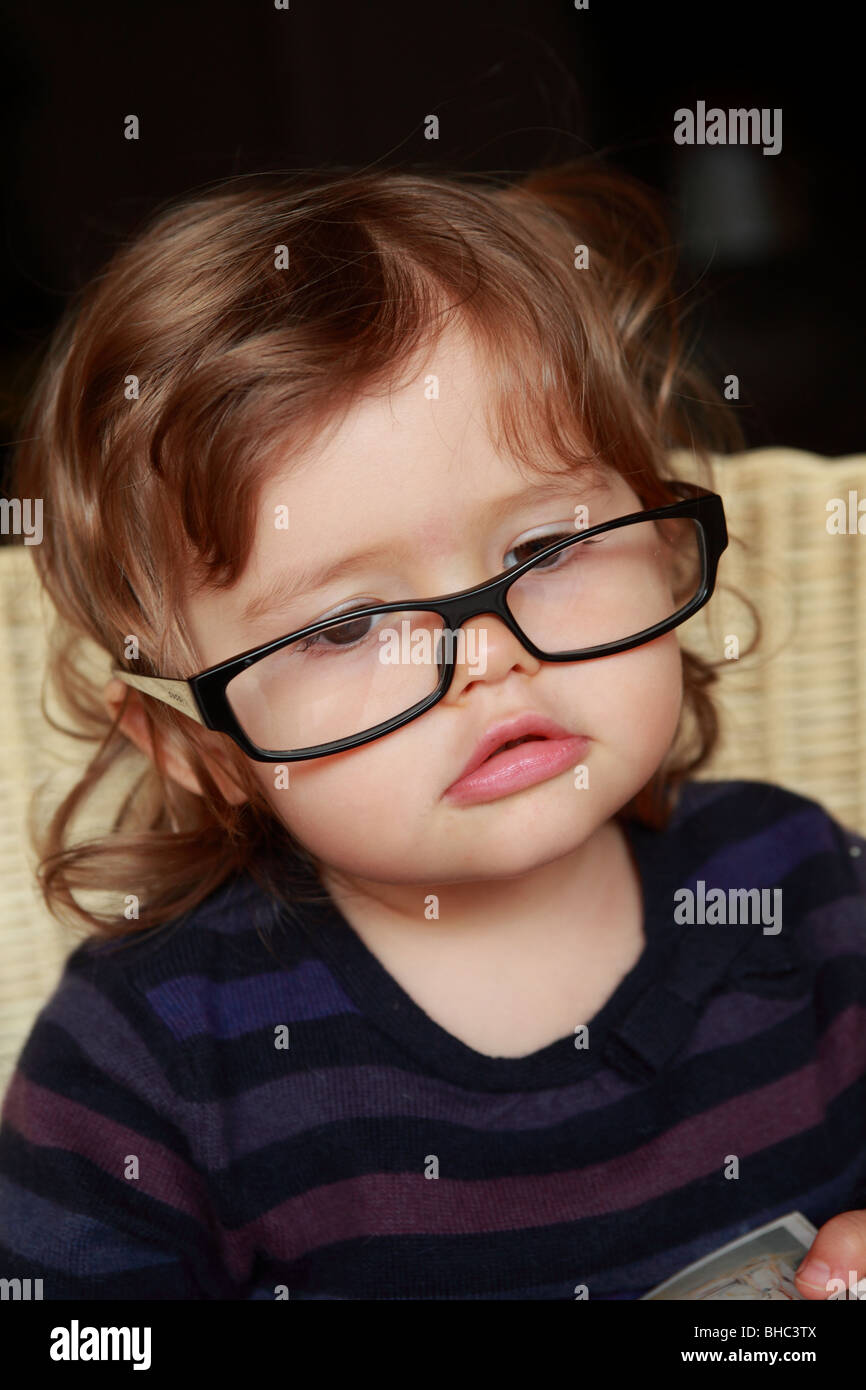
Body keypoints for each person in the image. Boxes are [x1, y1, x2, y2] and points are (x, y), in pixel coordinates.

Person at [1, 161, 864, 1301]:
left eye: (543, 554)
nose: (482, 659)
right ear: (201, 750)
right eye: (348, 625)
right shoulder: (151, 1057)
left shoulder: (798, 883)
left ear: (660, 538)